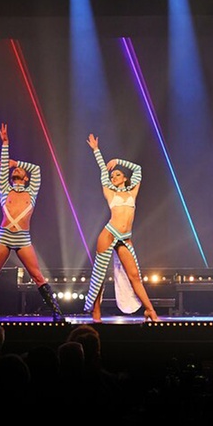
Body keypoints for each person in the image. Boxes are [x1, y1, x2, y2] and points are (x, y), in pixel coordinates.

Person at [0, 123, 64, 322]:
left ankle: (57, 313)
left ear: (25, 178)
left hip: (23, 238)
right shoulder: (4, 188)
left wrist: (17, 162)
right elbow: (3, 169)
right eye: (13, 169)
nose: (15, 170)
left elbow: (37, 169)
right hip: (4, 236)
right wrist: (5, 143)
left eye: (19, 170)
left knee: (37, 276)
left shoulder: (31, 190)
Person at [84, 134, 159, 322]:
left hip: (125, 237)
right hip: (109, 233)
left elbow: (138, 169)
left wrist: (117, 160)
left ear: (125, 178)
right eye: (112, 175)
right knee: (100, 275)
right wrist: (96, 151)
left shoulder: (133, 191)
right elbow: (103, 170)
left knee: (134, 276)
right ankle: (96, 312)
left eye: (117, 174)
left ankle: (150, 310)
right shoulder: (110, 192)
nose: (113, 176)